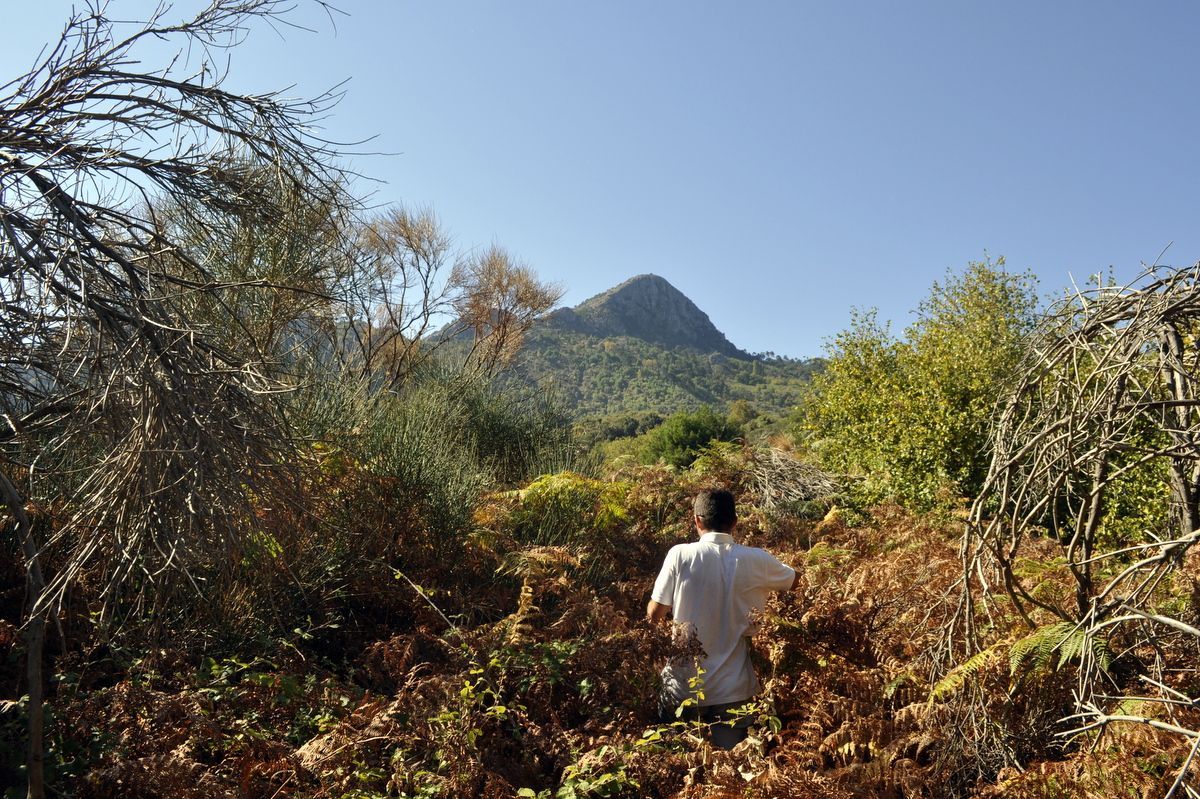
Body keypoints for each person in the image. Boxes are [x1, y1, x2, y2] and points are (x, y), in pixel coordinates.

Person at [646, 488, 799, 749]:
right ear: (735, 522)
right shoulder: (757, 559)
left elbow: (654, 613)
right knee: (730, 772)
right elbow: (794, 579)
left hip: (683, 685)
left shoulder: (680, 554)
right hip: (734, 688)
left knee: (679, 766)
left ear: (696, 520)